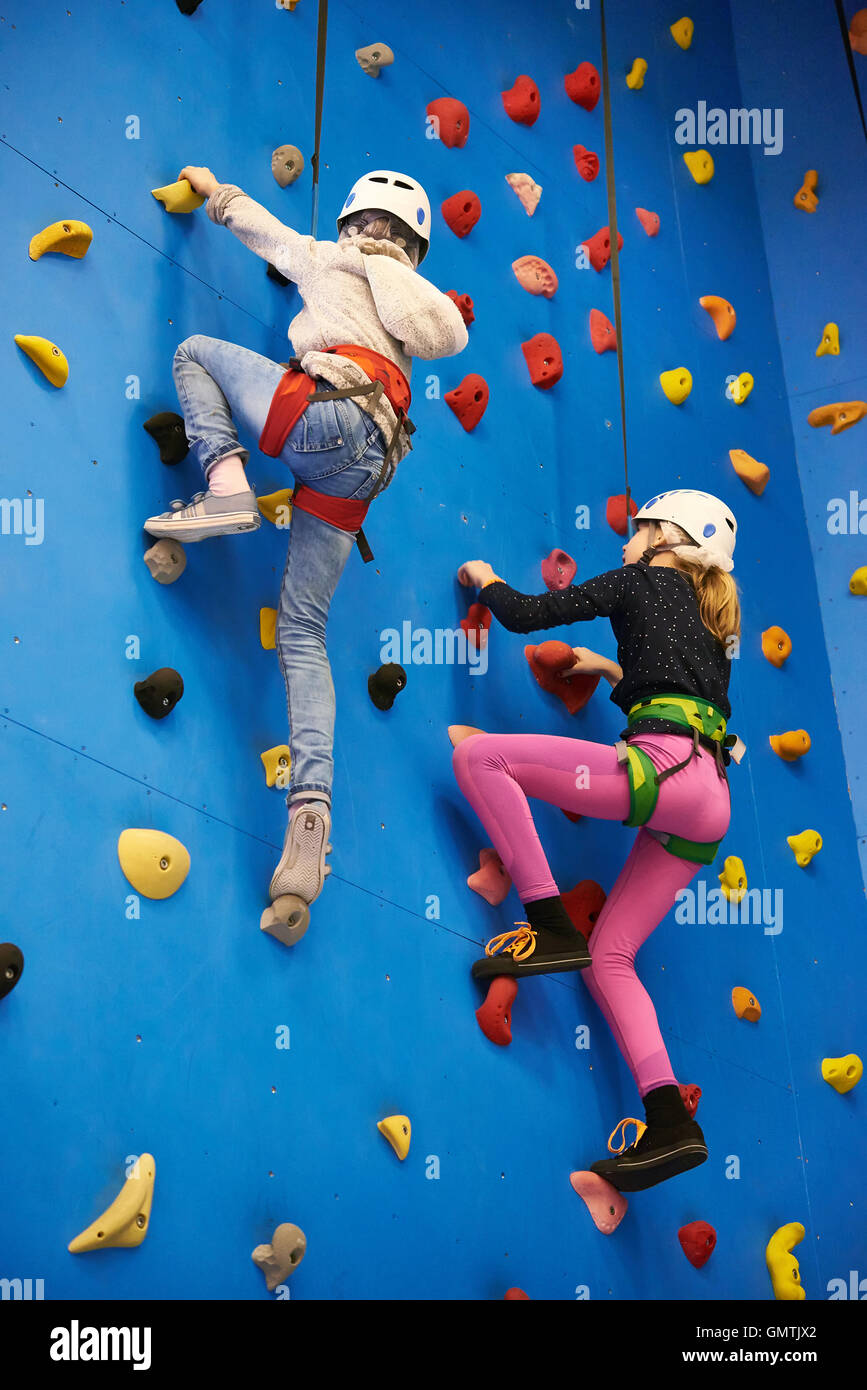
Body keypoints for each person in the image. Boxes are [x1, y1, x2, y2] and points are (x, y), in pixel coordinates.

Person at [143, 166, 468, 939]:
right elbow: (448, 335)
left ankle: (225, 488)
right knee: (303, 633)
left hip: (326, 413)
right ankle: (310, 810)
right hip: (366, 468)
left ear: (355, 219)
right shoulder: (413, 292)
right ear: (418, 239)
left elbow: (266, 231)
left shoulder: (334, 256)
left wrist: (212, 189)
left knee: (194, 353)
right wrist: (395, 268)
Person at [452, 489, 742, 1190]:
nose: (624, 541)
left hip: (661, 769)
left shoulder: (637, 579)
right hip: (708, 801)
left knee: (478, 758)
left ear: (665, 536)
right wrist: (613, 671)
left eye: (636, 529)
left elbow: (523, 614)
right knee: (609, 958)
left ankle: (547, 923)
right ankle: (671, 1123)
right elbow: (680, 680)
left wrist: (481, 577)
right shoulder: (710, 611)